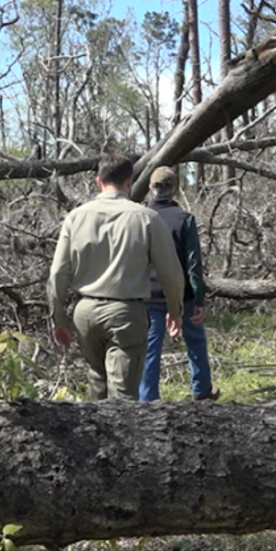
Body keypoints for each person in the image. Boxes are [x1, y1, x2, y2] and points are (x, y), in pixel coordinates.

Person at [47, 154, 186, 400]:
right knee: (124, 397)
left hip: (85, 311)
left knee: (96, 383)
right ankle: (125, 438)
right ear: (129, 181)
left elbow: (58, 273)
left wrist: (59, 318)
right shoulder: (146, 218)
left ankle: (96, 437)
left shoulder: (76, 217)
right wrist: (175, 309)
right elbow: (170, 273)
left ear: (98, 182)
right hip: (125, 313)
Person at [140, 166, 219, 402]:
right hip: (182, 294)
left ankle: (147, 399)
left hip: (148, 294)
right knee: (194, 339)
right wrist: (198, 298)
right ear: (175, 190)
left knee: (150, 348)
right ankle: (202, 390)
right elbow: (194, 263)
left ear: (150, 189)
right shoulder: (185, 219)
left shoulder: (140, 217)